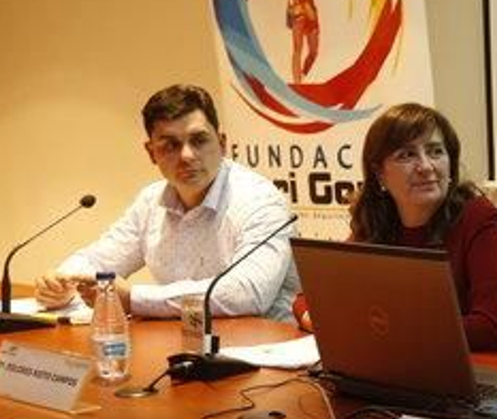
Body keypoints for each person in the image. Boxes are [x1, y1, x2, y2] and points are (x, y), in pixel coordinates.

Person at [34, 84, 300, 321]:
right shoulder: (151, 201)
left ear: (222, 143)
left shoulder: (261, 201)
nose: (187, 156)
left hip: (264, 353)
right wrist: (62, 282)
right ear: (152, 153)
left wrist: (134, 299)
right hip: (184, 345)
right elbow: (100, 260)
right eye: (170, 145)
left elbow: (248, 292)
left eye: (199, 140)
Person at [291, 103, 497, 350]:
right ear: (379, 173)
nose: (426, 166)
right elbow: (309, 299)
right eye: (407, 155)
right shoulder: (376, 223)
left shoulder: (479, 218)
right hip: (403, 366)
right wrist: (322, 321)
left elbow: (495, 328)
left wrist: (384, 329)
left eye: (435, 151)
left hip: (486, 371)